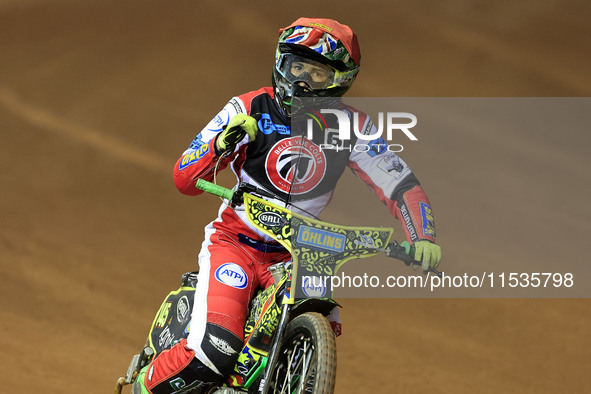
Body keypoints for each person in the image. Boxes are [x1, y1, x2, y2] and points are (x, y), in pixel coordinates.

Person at [133, 17, 441, 394]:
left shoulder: (353, 127)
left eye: (318, 73)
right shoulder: (247, 106)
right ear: (282, 64)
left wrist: (423, 236)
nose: (303, 81)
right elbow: (184, 179)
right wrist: (221, 144)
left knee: (323, 318)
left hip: (302, 252)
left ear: (341, 79)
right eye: (298, 67)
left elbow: (401, 185)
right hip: (236, 244)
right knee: (214, 352)